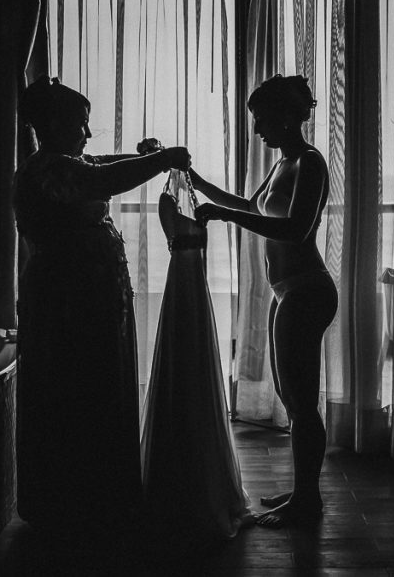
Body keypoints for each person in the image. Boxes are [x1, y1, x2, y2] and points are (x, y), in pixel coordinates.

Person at [12, 77, 190, 539]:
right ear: (53, 123)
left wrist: (146, 156)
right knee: (75, 392)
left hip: (88, 295)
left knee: (99, 387)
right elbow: (101, 178)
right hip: (65, 303)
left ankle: (101, 497)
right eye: (81, 123)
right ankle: (74, 505)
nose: (87, 134)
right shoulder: (43, 170)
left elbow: (102, 163)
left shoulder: (62, 163)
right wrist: (160, 160)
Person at [193, 74, 338, 528]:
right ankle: (304, 492)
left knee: (300, 401)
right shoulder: (281, 164)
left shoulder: (310, 162)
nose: (257, 130)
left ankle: (308, 502)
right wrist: (192, 177)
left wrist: (222, 215)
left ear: (287, 117)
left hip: (308, 290)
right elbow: (248, 206)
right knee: (292, 399)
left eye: (261, 120)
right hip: (286, 292)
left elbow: (295, 229)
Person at [140, 169, 252, 554]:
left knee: (196, 368)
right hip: (183, 286)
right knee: (182, 367)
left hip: (194, 287)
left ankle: (197, 472)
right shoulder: (168, 201)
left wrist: (201, 187)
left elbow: (242, 207)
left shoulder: (187, 198)